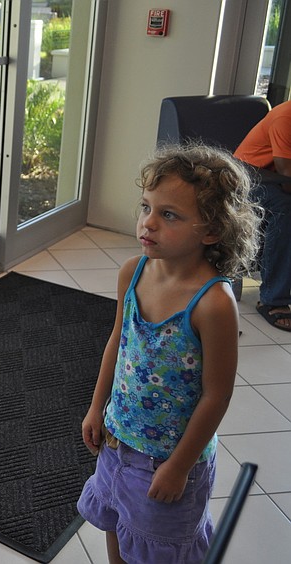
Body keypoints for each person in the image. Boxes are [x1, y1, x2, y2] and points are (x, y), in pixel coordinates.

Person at [77, 144, 261, 564]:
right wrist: (96, 408)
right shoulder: (133, 272)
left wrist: (179, 466)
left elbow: (217, 395)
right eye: (146, 207)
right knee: (118, 525)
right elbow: (117, 343)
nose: (148, 223)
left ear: (211, 231)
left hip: (169, 457)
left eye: (169, 215)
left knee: (162, 549)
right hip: (117, 439)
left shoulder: (212, 303)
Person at [233, 101, 291, 332]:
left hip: (276, 176)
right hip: (249, 175)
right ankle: (274, 299)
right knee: (286, 209)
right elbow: (287, 176)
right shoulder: (285, 118)